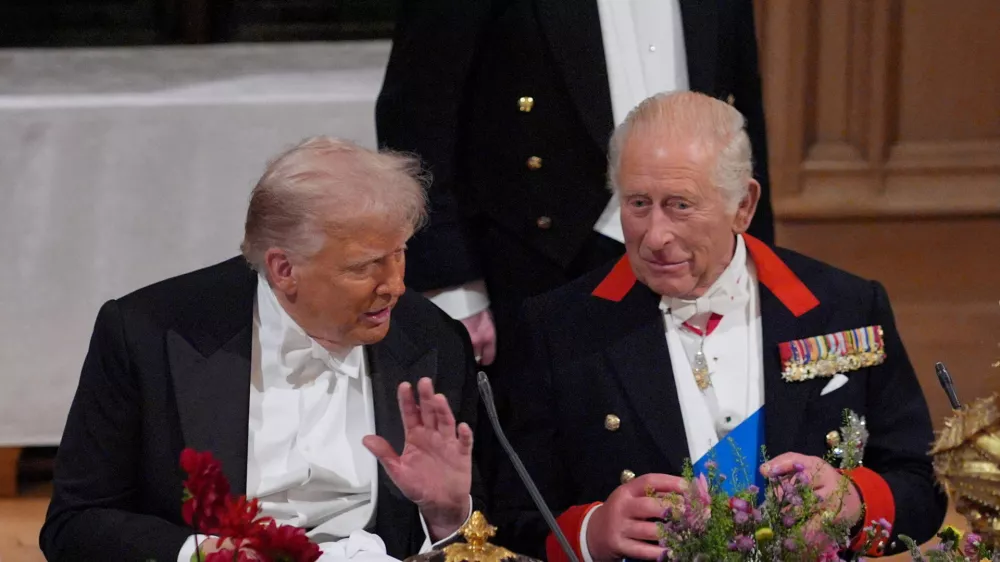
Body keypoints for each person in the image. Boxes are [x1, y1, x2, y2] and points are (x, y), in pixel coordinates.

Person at [490, 92, 947, 561]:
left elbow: (919, 484)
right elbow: (509, 514)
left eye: (681, 205)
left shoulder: (845, 306)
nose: (655, 236)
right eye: (639, 203)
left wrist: (853, 501)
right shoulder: (557, 327)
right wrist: (590, 533)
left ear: (744, 206)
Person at [40, 137, 483, 562]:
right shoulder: (147, 334)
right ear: (284, 268)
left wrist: (446, 517)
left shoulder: (432, 339)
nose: (396, 286)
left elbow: (482, 528)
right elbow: (74, 525)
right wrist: (199, 554)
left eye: (399, 253)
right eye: (365, 266)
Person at [376, 0, 774, 372]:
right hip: (534, 262)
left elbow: (740, 113)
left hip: (698, 255)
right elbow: (419, 111)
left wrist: (758, 264)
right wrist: (451, 284)